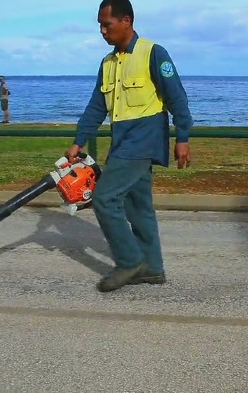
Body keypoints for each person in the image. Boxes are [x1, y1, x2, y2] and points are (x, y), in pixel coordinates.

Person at [66, 0, 193, 292]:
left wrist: (182, 136)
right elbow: (97, 106)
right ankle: (152, 267)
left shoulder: (153, 53)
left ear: (126, 21)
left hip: (143, 140)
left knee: (104, 199)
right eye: (99, 24)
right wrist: (79, 140)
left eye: (106, 24)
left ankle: (129, 262)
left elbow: (177, 97)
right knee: (138, 206)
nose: (102, 31)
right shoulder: (108, 63)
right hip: (122, 141)